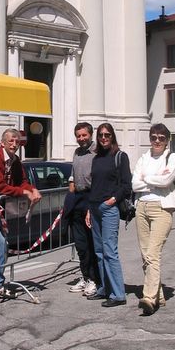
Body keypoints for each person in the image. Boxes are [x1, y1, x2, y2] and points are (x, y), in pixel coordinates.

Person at [0, 129, 42, 298]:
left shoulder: (15, 160)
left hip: (3, 209)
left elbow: (22, 181)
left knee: (1, 246)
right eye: (11, 141)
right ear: (2, 143)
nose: (14, 144)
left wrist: (32, 189)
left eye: (17, 141)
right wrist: (24, 192)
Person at [132, 123, 175, 315]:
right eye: (153, 137)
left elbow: (166, 181)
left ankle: (149, 298)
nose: (157, 141)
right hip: (141, 207)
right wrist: (155, 179)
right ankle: (158, 294)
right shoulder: (143, 158)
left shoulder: (172, 157)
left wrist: (146, 178)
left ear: (167, 140)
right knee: (145, 255)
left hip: (162, 208)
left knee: (152, 253)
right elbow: (134, 184)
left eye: (161, 138)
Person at [86, 123, 131, 307]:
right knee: (99, 251)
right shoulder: (96, 158)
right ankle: (104, 288)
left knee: (110, 251)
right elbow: (94, 185)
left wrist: (112, 200)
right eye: (101, 135)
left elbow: (127, 185)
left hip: (108, 209)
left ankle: (118, 294)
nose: (104, 138)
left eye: (107, 135)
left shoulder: (120, 156)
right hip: (94, 207)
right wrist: (89, 209)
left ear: (112, 136)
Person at [64, 122, 99, 297]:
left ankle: (94, 279)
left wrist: (92, 206)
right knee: (80, 244)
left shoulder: (97, 152)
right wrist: (71, 186)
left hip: (91, 198)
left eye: (84, 135)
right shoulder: (77, 152)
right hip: (77, 198)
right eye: (78, 136)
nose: (81, 138)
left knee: (91, 243)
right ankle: (85, 277)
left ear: (91, 135)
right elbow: (73, 173)